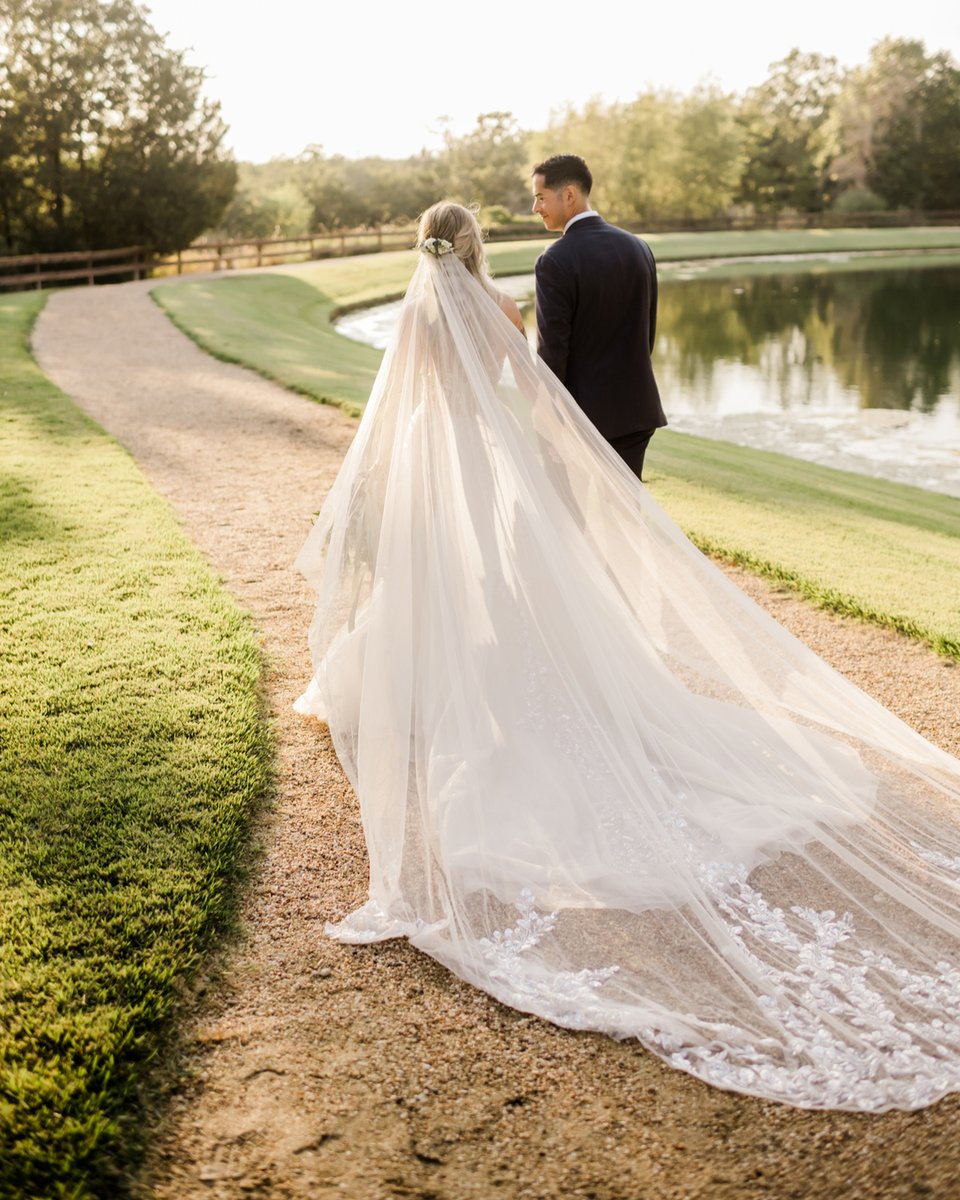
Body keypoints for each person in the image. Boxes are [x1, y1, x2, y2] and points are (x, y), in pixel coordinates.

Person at [295, 200, 960, 1113]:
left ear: (424, 247)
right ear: (476, 246)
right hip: (484, 453)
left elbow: (401, 399)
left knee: (429, 578)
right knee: (494, 574)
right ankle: (485, 677)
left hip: (424, 455)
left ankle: (416, 682)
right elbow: (534, 390)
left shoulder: (414, 312)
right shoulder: (500, 308)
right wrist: (570, 450)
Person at [531, 154, 665, 480]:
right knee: (625, 508)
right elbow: (646, 335)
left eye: (540, 197)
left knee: (568, 508)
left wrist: (549, 420)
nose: (535, 208)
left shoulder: (554, 260)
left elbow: (552, 355)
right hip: (637, 412)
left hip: (583, 420)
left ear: (569, 195)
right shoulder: (639, 247)